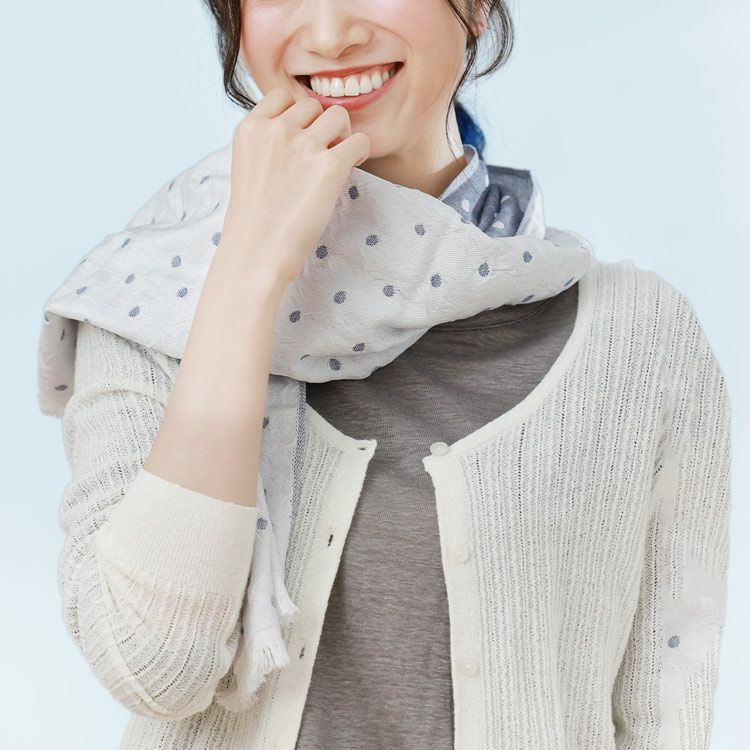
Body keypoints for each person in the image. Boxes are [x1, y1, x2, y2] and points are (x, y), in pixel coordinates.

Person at [50, 1, 731, 748]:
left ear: (476, 7)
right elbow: (155, 667)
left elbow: (666, 715)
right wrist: (247, 271)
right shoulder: (149, 298)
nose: (329, 33)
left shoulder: (640, 338)